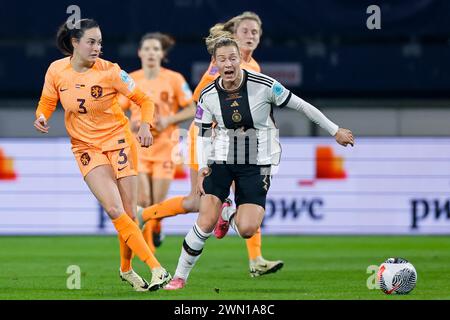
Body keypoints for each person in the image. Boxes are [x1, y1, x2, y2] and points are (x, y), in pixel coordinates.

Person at [163, 35, 354, 290]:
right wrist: (202, 168)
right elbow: (203, 133)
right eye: (222, 59)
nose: (228, 63)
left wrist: (335, 130)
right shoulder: (208, 95)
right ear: (215, 63)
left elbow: (303, 106)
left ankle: (229, 212)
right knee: (206, 219)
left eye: (232, 58)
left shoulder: (265, 86)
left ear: (240, 59)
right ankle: (179, 277)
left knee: (247, 229)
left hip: (258, 161)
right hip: (222, 157)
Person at [137, 11, 284, 278]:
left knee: (239, 196)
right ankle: (147, 214)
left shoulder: (256, 68)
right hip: (207, 138)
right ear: (233, 36)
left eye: (255, 32)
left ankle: (255, 257)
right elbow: (198, 97)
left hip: (234, 143)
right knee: (198, 201)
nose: (250, 36)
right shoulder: (224, 63)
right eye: (245, 31)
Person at [33, 19, 171, 292]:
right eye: (91, 42)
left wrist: (145, 125)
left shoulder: (111, 72)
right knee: (113, 209)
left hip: (119, 142)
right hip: (85, 147)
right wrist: (41, 116)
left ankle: (126, 269)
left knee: (130, 213)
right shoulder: (56, 70)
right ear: (75, 43)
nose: (97, 47)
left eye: (99, 42)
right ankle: (157, 269)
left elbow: (145, 100)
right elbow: (48, 100)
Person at [119, 32, 196, 252]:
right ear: (140, 53)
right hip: (139, 147)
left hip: (165, 147)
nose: (151, 53)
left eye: (156, 49)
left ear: (162, 54)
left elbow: (192, 108)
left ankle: (157, 227)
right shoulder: (131, 79)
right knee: (143, 199)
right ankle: (149, 249)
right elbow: (115, 107)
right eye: (148, 49)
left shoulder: (174, 79)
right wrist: (130, 123)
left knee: (158, 202)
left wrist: (170, 119)